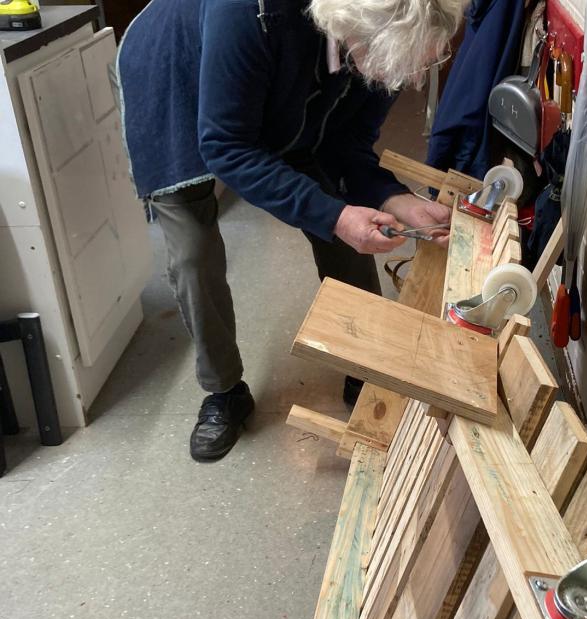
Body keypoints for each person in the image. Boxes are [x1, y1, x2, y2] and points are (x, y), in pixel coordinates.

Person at [116, 0, 466, 461]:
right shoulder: (250, 10)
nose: (394, 80)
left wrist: (392, 198)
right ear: (360, 31)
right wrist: (336, 217)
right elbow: (227, 146)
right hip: (177, 74)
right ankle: (224, 391)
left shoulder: (388, 40)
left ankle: (364, 361)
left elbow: (347, 144)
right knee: (192, 253)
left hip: (283, 61)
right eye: (391, 66)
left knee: (346, 220)